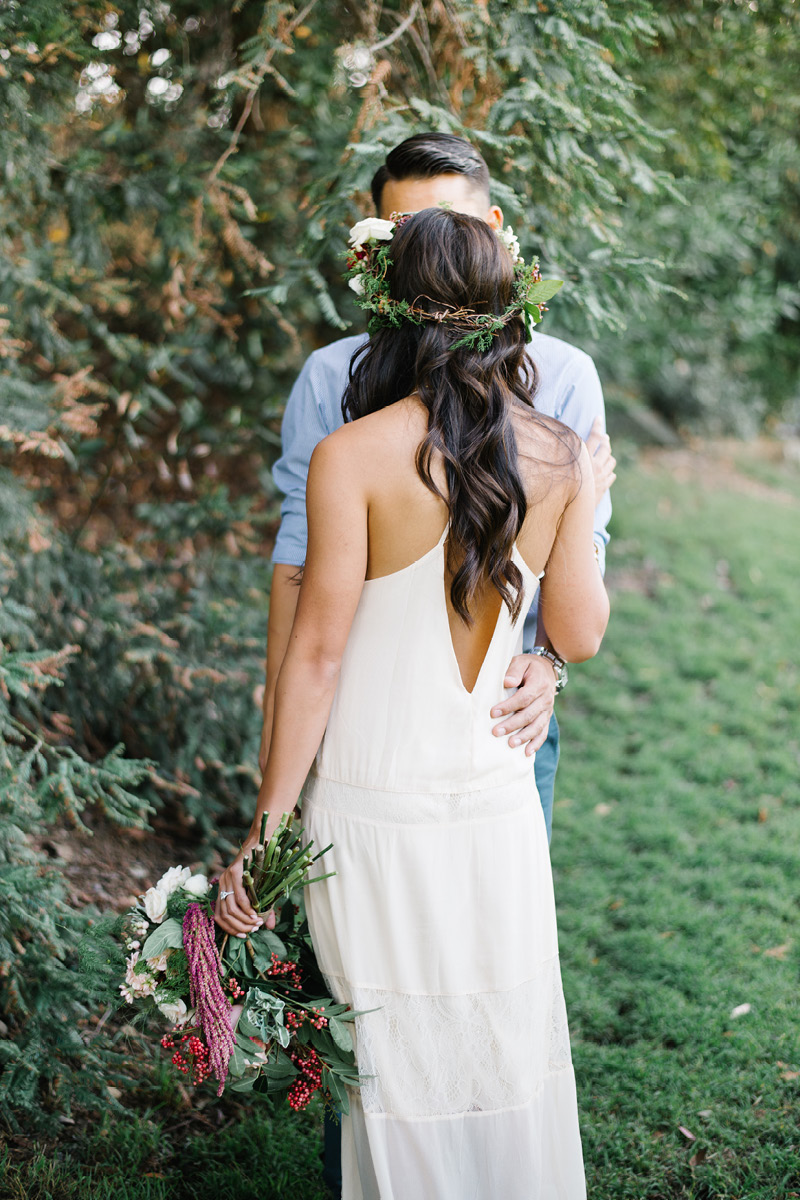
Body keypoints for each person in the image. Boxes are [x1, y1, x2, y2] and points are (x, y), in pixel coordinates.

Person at [216, 206, 609, 1198]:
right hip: (493, 801)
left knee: (390, 1070)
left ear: (385, 313)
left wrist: (267, 830)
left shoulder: (349, 456)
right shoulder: (559, 452)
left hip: (365, 803)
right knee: (503, 1049)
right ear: (505, 311)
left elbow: (313, 658)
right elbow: (577, 635)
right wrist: (586, 495)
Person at [260, 133, 615, 846]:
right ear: (375, 260)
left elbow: (580, 564)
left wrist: (546, 665)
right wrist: (279, 750)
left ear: (494, 239)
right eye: (404, 237)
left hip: (504, 714)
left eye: (447, 228)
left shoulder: (566, 378)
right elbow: (297, 573)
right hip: (360, 713)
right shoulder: (332, 379)